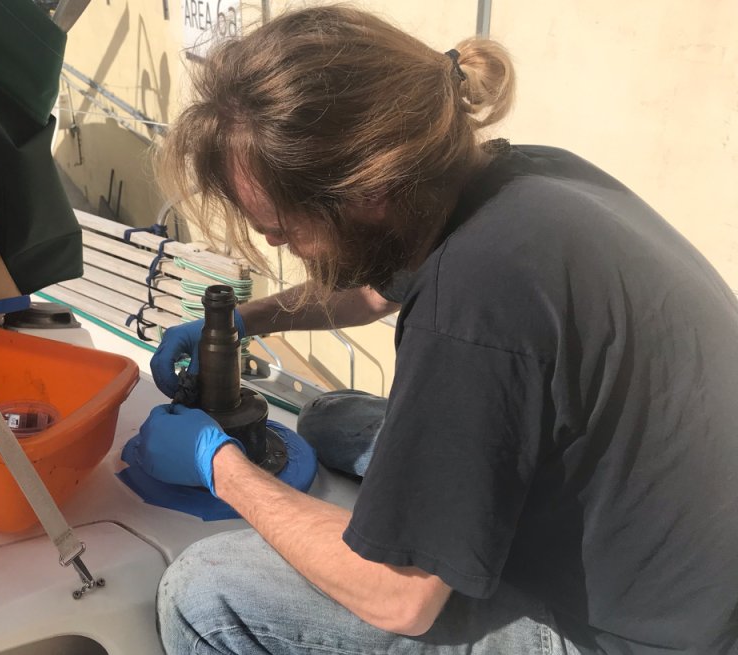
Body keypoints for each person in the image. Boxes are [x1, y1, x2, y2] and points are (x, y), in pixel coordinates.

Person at [135, 5, 738, 654]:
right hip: (685, 561)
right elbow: (371, 288)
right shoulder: (522, 177)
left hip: (639, 637)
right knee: (329, 416)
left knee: (204, 591)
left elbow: (400, 596)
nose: (283, 246)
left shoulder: (477, 298)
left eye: (284, 230)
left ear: (367, 192)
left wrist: (216, 463)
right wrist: (243, 322)